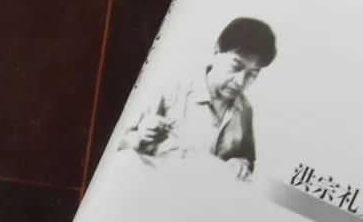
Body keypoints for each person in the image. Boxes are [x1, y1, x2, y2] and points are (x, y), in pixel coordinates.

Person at [118, 16, 277, 181]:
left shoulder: (245, 109)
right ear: (216, 51)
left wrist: (242, 163)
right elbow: (116, 145)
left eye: (253, 74)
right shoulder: (170, 90)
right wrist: (140, 137)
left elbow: (246, 158)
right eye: (236, 66)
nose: (241, 81)